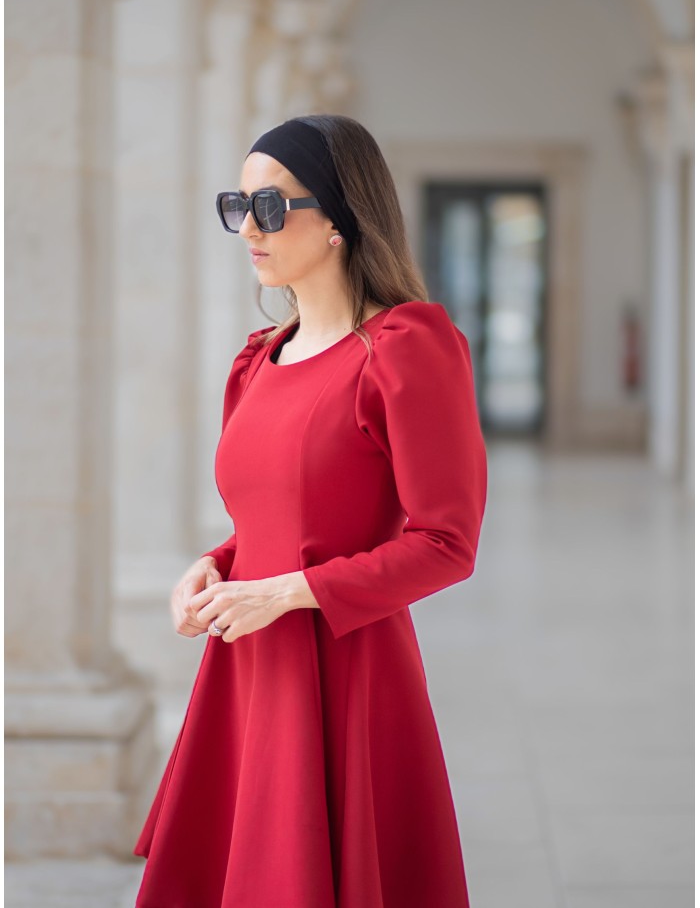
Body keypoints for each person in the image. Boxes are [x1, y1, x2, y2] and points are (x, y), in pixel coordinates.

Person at [133, 114, 488, 907]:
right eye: (239, 206)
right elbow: (272, 517)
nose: (249, 230)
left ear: (338, 220)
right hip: (245, 667)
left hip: (347, 669)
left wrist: (287, 592)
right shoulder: (257, 360)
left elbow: (447, 542)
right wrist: (214, 566)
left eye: (271, 208)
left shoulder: (406, 347)